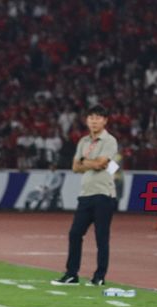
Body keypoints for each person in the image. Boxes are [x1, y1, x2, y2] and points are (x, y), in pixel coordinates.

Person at [51, 105, 118, 286]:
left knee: (101, 237)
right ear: (87, 120)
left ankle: (99, 276)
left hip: (104, 194)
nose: (94, 121)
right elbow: (75, 167)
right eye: (91, 118)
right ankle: (72, 274)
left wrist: (83, 161)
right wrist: (89, 163)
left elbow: (101, 164)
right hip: (85, 194)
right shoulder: (83, 141)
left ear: (105, 121)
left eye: (98, 118)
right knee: (74, 234)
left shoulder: (109, 140)